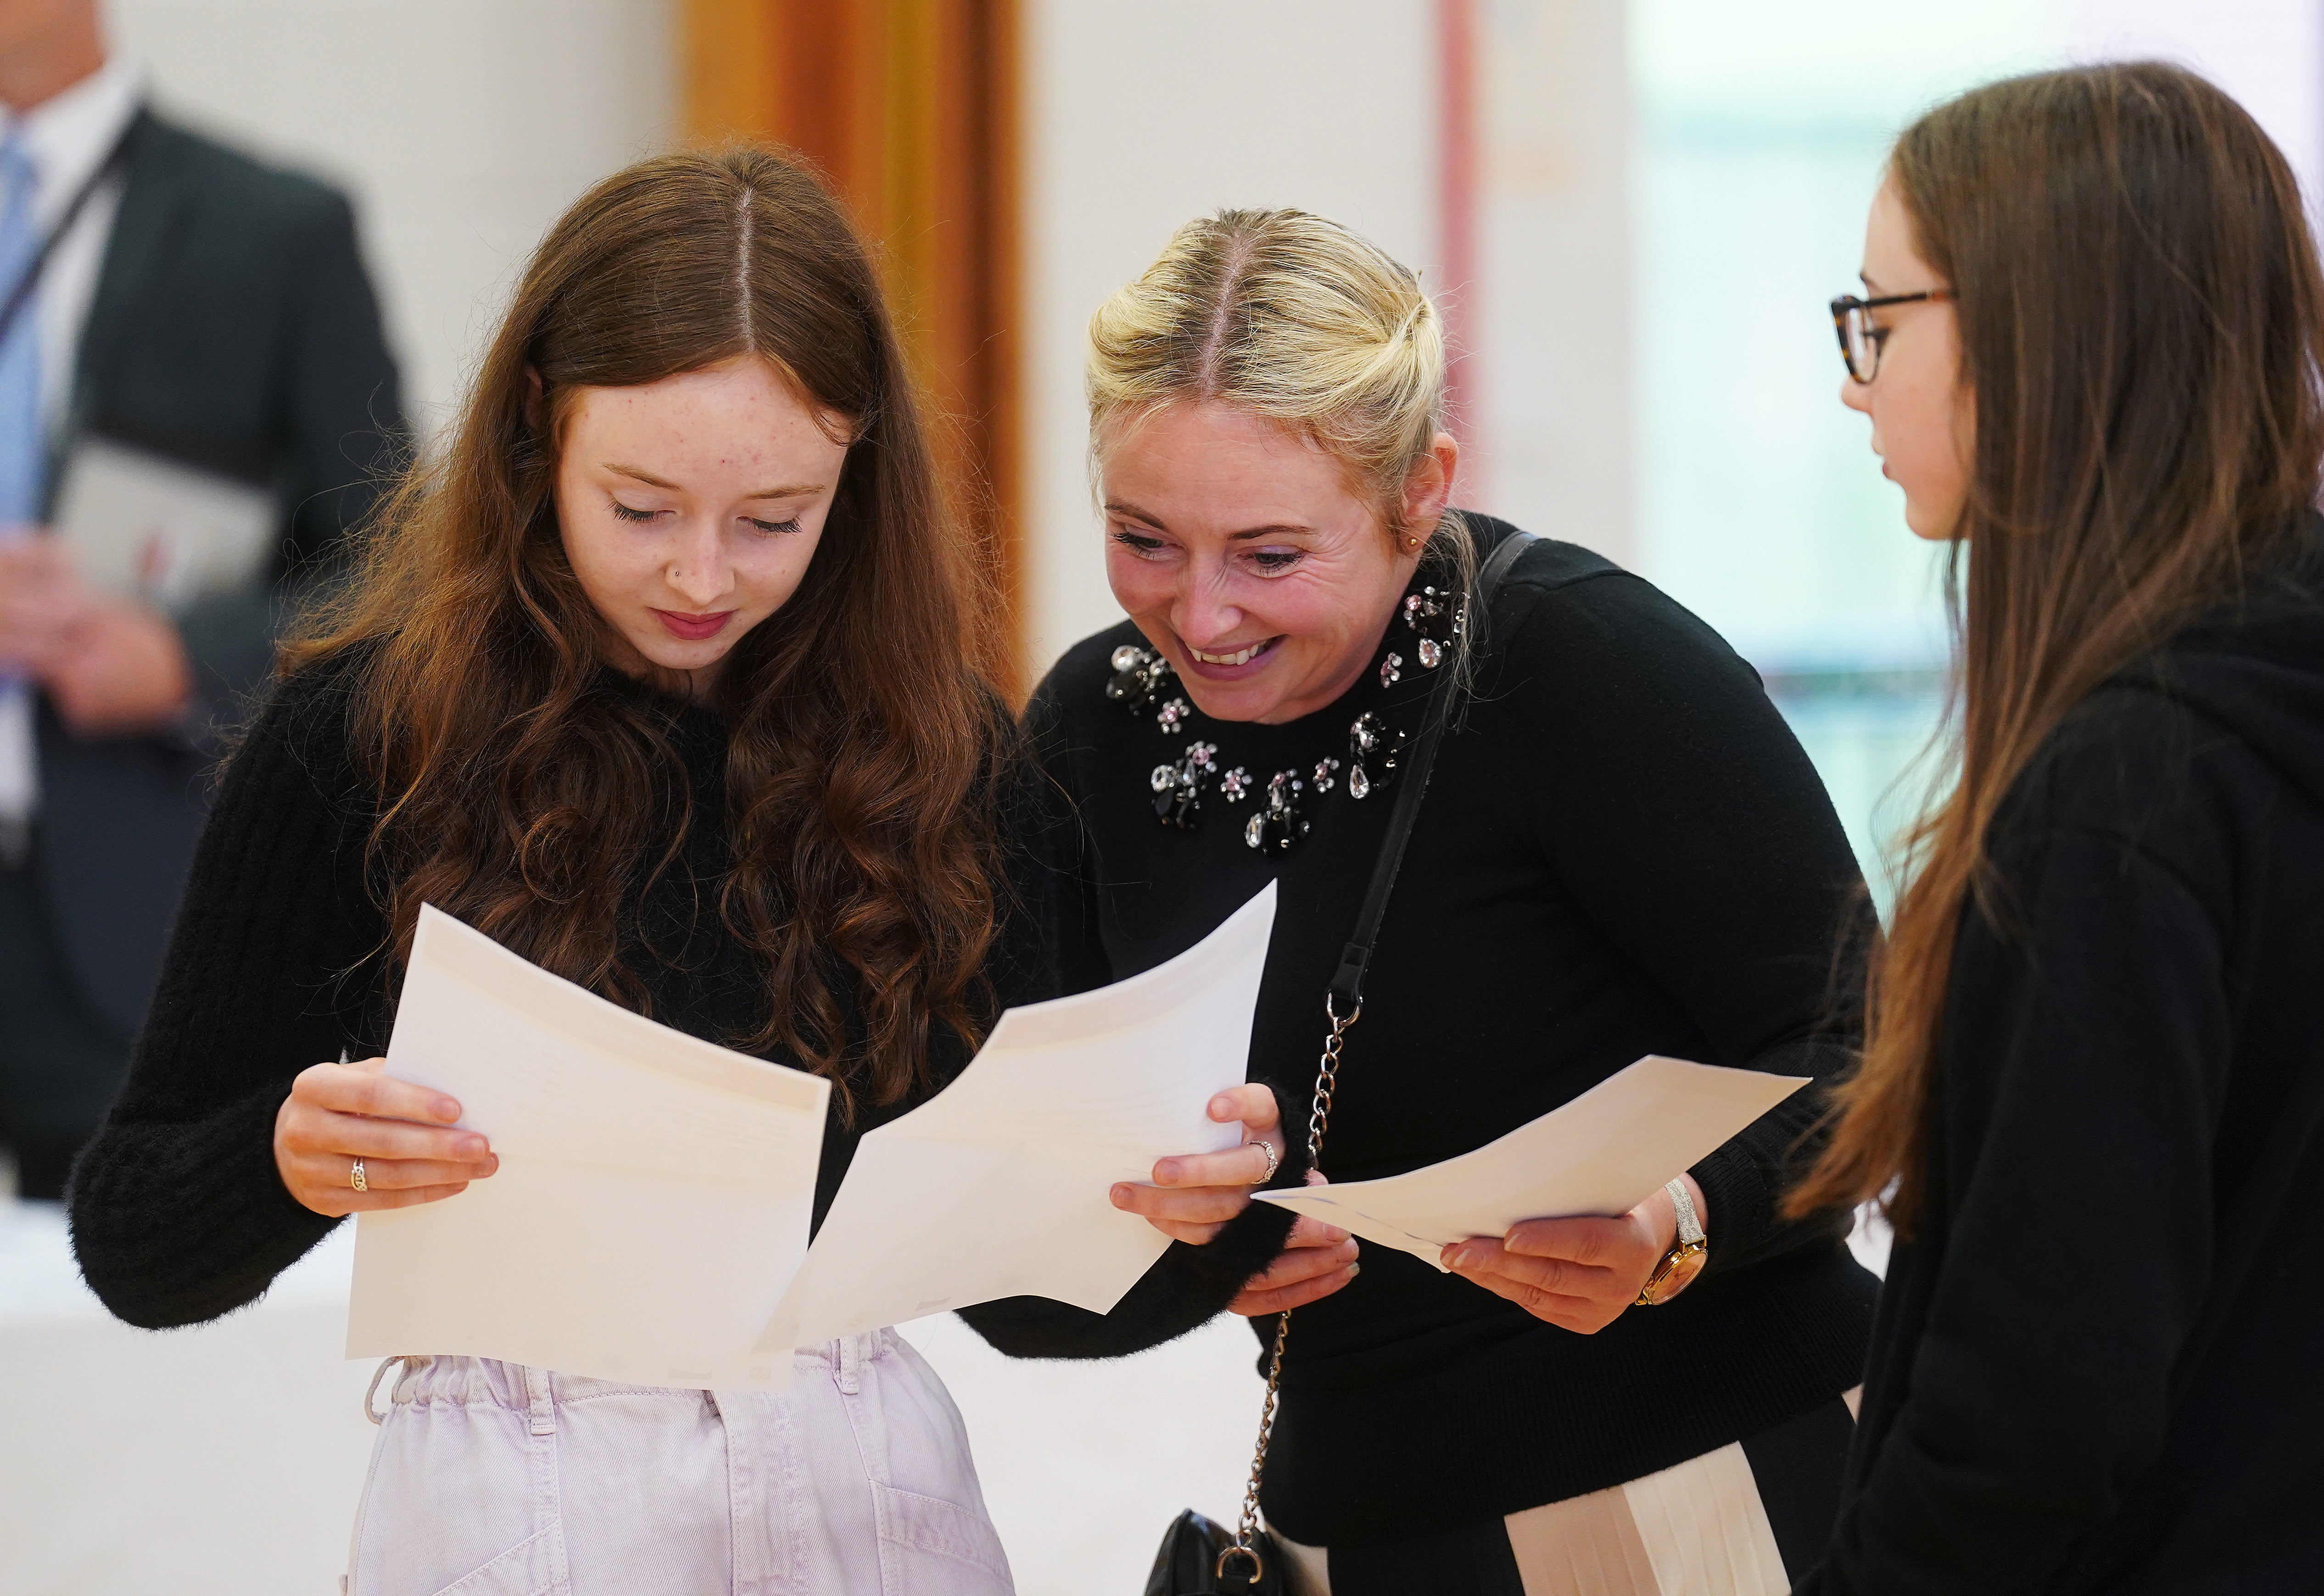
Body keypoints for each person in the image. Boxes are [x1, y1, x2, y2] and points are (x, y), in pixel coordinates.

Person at [69, 148, 1024, 1594]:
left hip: (868, 1487)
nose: (702, 577)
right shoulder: (365, 729)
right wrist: (286, 1151)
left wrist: (1183, 1224)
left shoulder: (939, 745)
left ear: (858, 472)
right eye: (639, 508)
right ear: (535, 429)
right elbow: (135, 1235)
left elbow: (1036, 1293)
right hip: (520, 1498)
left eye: (774, 520)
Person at [960, 210, 1879, 1594]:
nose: (1203, 617)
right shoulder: (1089, 729)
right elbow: (1010, 1255)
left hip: (1716, 1484)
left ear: (1421, 489)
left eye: (1271, 556)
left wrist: (1679, 1226)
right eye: (1145, 539)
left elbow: (1870, 1054)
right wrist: (1184, 1252)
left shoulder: (1580, 663)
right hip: (1362, 1525)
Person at [1790, 62, 2324, 1594]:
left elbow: (2027, 1419)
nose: (1854, 379)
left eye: (1881, 322)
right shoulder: (2245, 708)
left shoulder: (2122, 799)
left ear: (2041, 332)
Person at [0, 0, 401, 1200]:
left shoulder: (269, 228)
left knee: (131, 1349)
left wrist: (183, 657)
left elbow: (397, 559)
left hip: (132, 912)